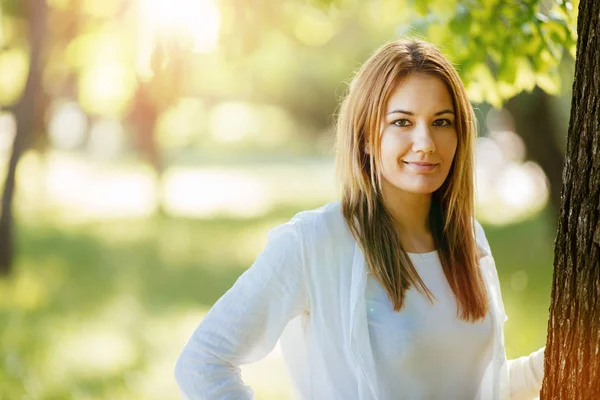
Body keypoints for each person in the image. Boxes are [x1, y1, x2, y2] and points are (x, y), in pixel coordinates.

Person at [174, 38, 546, 400]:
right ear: (367, 137)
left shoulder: (467, 236)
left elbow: (476, 387)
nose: (426, 142)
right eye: (402, 122)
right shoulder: (315, 241)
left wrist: (557, 363)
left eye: (441, 121)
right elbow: (203, 362)